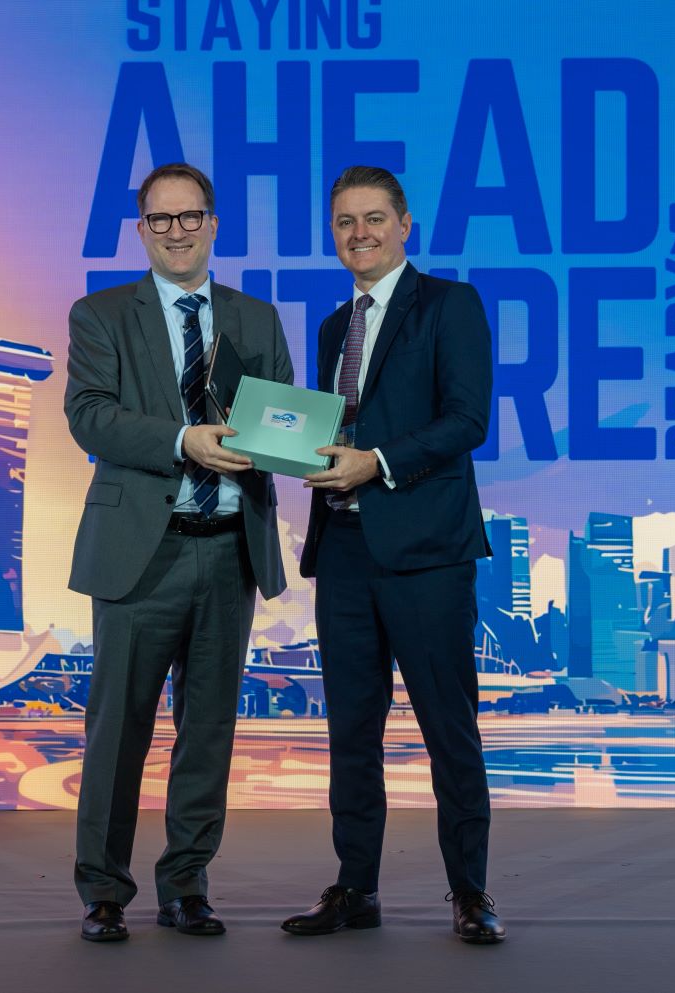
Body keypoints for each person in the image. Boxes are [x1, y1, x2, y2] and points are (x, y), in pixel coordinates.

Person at [64, 162, 293, 942]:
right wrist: (182, 439)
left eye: (190, 216)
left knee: (209, 731)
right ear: (142, 231)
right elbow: (90, 415)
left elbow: (284, 423)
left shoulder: (256, 319)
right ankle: (103, 890)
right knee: (117, 730)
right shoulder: (101, 314)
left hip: (230, 553)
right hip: (141, 553)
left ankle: (187, 885)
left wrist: (290, 442)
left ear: (213, 223)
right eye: (160, 219)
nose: (177, 231)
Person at [281, 165, 506, 944]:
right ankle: (355, 887)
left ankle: (470, 892)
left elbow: (468, 419)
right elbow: (333, 433)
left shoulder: (450, 305)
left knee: (449, 728)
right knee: (351, 730)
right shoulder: (331, 328)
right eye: (345, 221)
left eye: (374, 218)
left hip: (427, 553)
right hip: (342, 549)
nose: (360, 233)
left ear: (405, 225)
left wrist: (373, 462)